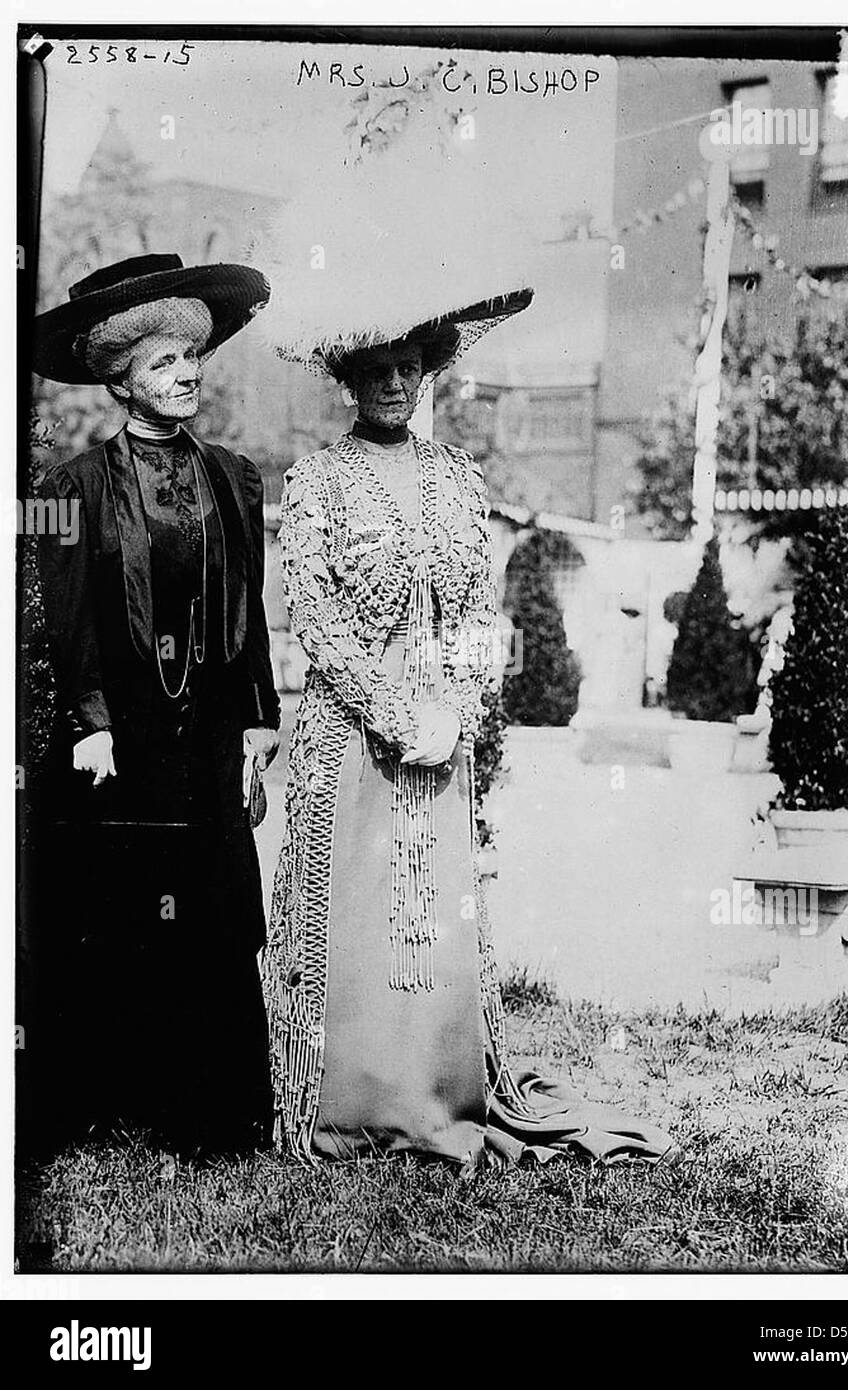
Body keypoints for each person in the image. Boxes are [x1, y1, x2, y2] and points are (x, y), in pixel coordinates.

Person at [262, 296, 679, 1169]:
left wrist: (452, 706)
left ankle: (442, 1095)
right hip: (349, 737)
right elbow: (317, 617)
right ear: (348, 377)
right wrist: (391, 711)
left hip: (442, 738)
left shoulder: (459, 477)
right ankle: (345, 1107)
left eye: (408, 367)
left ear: (427, 372)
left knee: (435, 922)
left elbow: (476, 615)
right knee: (357, 920)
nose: (392, 383)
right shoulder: (317, 481)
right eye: (374, 368)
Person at [31, 253, 281, 1156]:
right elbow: (63, 624)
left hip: (209, 731)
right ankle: (115, 1104)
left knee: (210, 913)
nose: (188, 375)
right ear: (120, 381)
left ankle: (213, 1113)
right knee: (122, 911)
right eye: (164, 365)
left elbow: (249, 609)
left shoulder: (235, 478)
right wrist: (90, 726)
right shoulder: (67, 490)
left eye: (192, 358)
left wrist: (259, 719)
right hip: (122, 737)